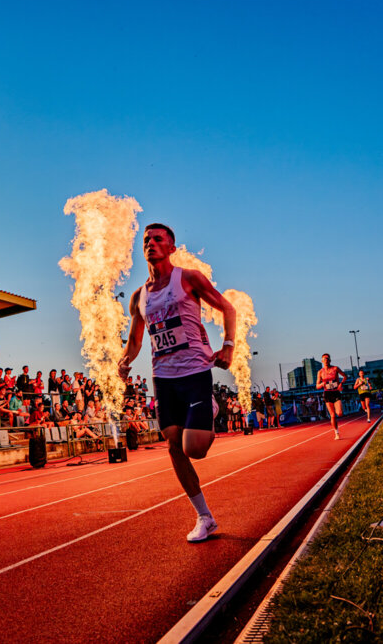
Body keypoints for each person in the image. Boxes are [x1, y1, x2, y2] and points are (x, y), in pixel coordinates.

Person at [118, 223, 236, 543]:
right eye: (146, 240)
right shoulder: (139, 297)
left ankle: (209, 407)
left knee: (194, 449)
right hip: (163, 378)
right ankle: (204, 517)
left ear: (171, 247)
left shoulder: (188, 278)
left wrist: (227, 345)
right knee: (173, 446)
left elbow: (227, 308)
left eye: (158, 239)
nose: (151, 243)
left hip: (194, 371)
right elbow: (135, 340)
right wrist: (124, 361)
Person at [316, 353, 347, 439]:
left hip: (336, 392)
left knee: (339, 413)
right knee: (332, 415)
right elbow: (317, 386)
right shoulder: (320, 372)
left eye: (327, 358)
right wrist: (322, 384)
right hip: (327, 394)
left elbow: (345, 376)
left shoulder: (335, 368)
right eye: (324, 359)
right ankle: (336, 433)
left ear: (330, 360)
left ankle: (339, 410)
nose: (326, 360)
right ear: (322, 361)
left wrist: (341, 384)